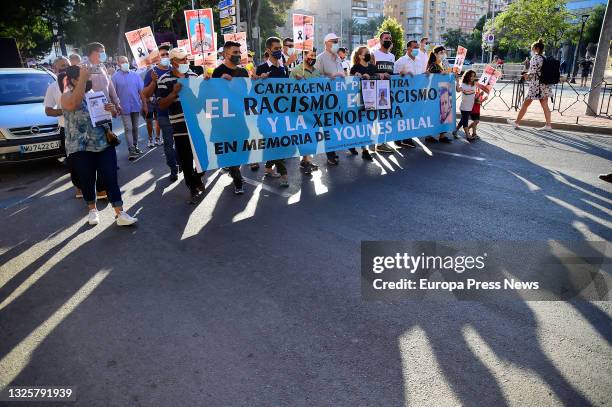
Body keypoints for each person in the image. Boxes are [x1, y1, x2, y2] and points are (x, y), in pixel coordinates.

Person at [61, 65, 138, 226]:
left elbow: (109, 116)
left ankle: (120, 213)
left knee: (110, 177)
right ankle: (92, 210)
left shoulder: (96, 95)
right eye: (85, 78)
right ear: (75, 80)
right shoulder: (66, 96)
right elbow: (74, 103)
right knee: (87, 179)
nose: (89, 80)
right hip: (80, 147)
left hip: (103, 143)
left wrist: (112, 110)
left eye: (88, 78)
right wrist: (83, 78)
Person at [157, 47, 204, 203]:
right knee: (186, 159)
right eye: (181, 59)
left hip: (196, 124)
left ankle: (198, 178)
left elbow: (201, 100)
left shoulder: (193, 75)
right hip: (179, 126)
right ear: (173, 62)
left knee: (202, 156)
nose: (185, 62)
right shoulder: (164, 79)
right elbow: (161, 105)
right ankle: (192, 187)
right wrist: (174, 93)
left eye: (186, 59)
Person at [211, 41, 248, 195]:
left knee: (244, 145)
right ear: (226, 54)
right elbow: (213, 96)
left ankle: (234, 169)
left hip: (240, 117)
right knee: (230, 146)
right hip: (224, 119)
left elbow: (246, 93)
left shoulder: (243, 72)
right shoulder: (218, 72)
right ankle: (237, 179)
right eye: (235, 52)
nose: (238, 55)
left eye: (239, 52)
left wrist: (232, 84)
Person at [45, 57, 84, 197]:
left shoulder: (80, 82)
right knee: (73, 160)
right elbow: (48, 110)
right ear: (55, 69)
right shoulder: (53, 87)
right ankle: (79, 187)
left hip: (84, 127)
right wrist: (66, 110)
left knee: (89, 157)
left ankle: (95, 186)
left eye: (67, 65)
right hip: (67, 129)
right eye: (61, 66)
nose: (65, 68)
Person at [255, 36, 291, 186]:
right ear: (268, 50)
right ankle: (284, 175)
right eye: (276, 49)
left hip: (282, 113)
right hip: (267, 114)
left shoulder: (283, 68)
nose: (279, 51)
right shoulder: (262, 68)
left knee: (279, 143)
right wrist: (259, 79)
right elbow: (254, 90)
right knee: (276, 143)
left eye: (280, 48)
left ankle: (269, 167)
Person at [142, 44, 178, 181]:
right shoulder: (152, 73)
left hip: (180, 114)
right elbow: (145, 94)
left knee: (181, 142)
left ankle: (180, 162)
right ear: (157, 58)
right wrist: (154, 81)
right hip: (164, 114)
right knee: (169, 144)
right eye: (162, 55)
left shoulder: (176, 69)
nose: (165, 57)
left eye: (166, 54)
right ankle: (173, 168)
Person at [507, 39, 553, 131]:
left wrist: (526, 75)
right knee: (545, 105)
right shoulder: (544, 57)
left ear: (536, 48)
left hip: (536, 85)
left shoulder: (535, 58)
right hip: (545, 85)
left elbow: (533, 72)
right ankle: (548, 125)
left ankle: (516, 123)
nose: (531, 50)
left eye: (532, 48)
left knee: (525, 103)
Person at [314, 33, 346, 165]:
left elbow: (343, 74)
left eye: (337, 41)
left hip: (339, 97)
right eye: (334, 41)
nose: (336, 43)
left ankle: (334, 150)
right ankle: (330, 154)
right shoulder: (320, 58)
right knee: (328, 126)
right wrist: (329, 76)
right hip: (326, 99)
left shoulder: (338, 58)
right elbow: (315, 77)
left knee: (335, 126)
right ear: (326, 43)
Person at [290, 49, 323, 173]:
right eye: (310, 55)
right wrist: (298, 82)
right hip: (301, 110)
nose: (312, 57)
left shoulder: (317, 72)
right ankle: (305, 160)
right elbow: (288, 89)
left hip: (315, 110)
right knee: (304, 135)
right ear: (304, 56)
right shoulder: (295, 71)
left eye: (314, 55)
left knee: (314, 136)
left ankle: (307, 160)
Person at [112, 56, 146, 159]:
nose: (124, 63)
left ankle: (135, 146)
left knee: (135, 128)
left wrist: (144, 104)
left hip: (136, 105)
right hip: (123, 107)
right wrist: (115, 107)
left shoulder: (135, 75)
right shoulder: (115, 77)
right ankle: (131, 150)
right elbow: (113, 93)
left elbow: (141, 91)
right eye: (122, 62)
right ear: (118, 63)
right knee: (128, 128)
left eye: (126, 61)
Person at [348, 46, 377, 160]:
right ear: (360, 56)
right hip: (358, 100)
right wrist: (356, 77)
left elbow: (377, 78)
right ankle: (364, 149)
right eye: (366, 53)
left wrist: (372, 77)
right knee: (359, 124)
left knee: (368, 124)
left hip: (371, 99)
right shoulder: (355, 68)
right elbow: (349, 83)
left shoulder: (372, 67)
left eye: (369, 52)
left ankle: (362, 147)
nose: (368, 54)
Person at [393, 40, 423, 148]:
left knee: (412, 117)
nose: (416, 49)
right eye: (414, 47)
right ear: (408, 48)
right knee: (401, 116)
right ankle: (397, 138)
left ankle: (407, 138)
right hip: (403, 94)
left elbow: (421, 76)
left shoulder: (419, 60)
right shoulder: (401, 61)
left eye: (417, 47)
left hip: (416, 94)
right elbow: (394, 76)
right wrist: (401, 74)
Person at [372, 31, 397, 153]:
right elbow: (369, 71)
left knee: (384, 118)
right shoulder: (374, 54)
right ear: (380, 40)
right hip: (374, 89)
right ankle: (373, 142)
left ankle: (381, 142)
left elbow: (393, 73)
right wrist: (379, 74)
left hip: (387, 90)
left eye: (390, 38)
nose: (388, 40)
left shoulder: (392, 56)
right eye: (386, 38)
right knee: (373, 118)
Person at [425, 46, 452, 143]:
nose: (443, 54)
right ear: (435, 54)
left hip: (444, 92)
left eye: (444, 52)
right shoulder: (433, 66)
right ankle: (428, 135)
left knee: (445, 114)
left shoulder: (441, 64)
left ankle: (442, 135)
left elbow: (448, 75)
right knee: (433, 115)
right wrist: (448, 70)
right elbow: (442, 75)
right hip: (435, 94)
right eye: (441, 52)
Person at [452, 69, 477, 141]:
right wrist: (457, 81)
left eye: (474, 76)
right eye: (471, 76)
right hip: (464, 107)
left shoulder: (473, 85)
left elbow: (474, 95)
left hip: (470, 106)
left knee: (463, 120)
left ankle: (455, 131)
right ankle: (467, 135)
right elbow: (458, 90)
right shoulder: (463, 84)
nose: (472, 78)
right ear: (467, 76)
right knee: (465, 121)